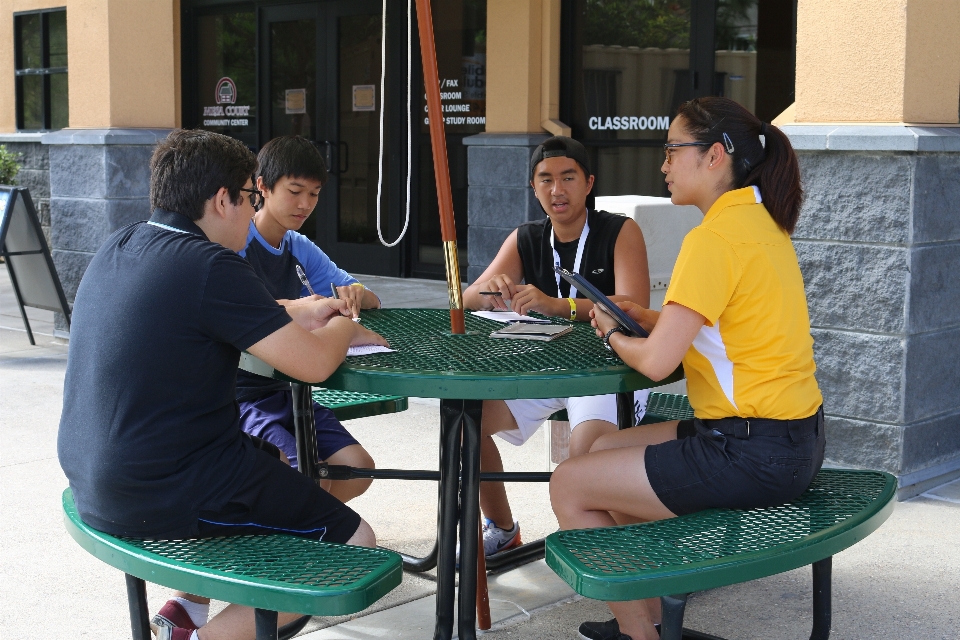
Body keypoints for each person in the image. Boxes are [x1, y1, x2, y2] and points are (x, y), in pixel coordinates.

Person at [57, 129, 388, 640]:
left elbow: (241, 315)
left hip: (94, 474)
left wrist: (309, 309)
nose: (255, 210)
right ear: (222, 200)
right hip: (161, 487)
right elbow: (317, 365)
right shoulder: (212, 265)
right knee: (353, 546)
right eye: (252, 198)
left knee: (275, 463)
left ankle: (188, 613)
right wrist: (345, 318)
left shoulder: (121, 242)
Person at [550, 97, 826, 640]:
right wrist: (649, 316)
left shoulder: (713, 239)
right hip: (793, 441)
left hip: (751, 451)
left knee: (569, 484)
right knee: (603, 449)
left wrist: (607, 329)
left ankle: (641, 635)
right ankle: (652, 615)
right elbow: (720, 327)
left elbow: (655, 365)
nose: (664, 165)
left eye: (674, 150)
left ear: (716, 156)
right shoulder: (760, 223)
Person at [462, 136, 650, 557]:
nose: (556, 189)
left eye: (568, 177)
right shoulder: (526, 237)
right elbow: (467, 299)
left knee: (585, 464)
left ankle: (630, 558)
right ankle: (504, 528)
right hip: (544, 367)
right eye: (545, 179)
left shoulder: (620, 231)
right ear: (533, 188)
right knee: (463, 425)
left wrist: (559, 305)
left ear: (589, 183)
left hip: (611, 368)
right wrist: (488, 289)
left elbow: (634, 309)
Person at [237, 135, 380, 504]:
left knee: (357, 468)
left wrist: (353, 293)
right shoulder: (236, 244)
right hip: (242, 395)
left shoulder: (298, 245)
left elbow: (370, 297)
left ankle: (310, 528)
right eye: (295, 191)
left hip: (289, 391)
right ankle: (307, 532)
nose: (305, 205)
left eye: (314, 194)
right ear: (262, 187)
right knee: (304, 479)